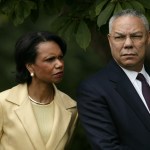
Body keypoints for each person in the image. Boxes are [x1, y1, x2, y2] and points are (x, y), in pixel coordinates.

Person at [77, 9, 150, 150]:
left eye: (136, 36)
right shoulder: (93, 90)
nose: (128, 44)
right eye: (120, 37)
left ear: (148, 38)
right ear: (110, 40)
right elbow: (107, 147)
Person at [0, 31, 78, 150]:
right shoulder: (3, 102)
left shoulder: (71, 107)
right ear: (30, 66)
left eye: (60, 57)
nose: (59, 64)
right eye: (50, 59)